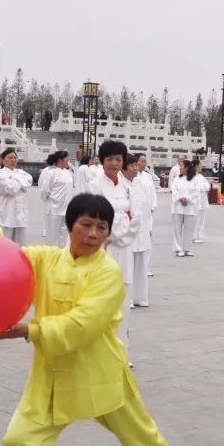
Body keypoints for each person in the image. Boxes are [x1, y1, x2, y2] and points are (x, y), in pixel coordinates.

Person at [0, 194, 205, 446]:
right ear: (70, 225)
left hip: (99, 371)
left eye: (101, 227)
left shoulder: (108, 272)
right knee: (19, 441)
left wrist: (29, 330)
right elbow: (13, 260)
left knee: (140, 433)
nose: (92, 234)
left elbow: (82, 324)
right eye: (85, 224)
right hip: (52, 374)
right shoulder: (47, 259)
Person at [84, 141, 139, 343]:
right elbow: (91, 219)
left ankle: (120, 347)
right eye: (109, 159)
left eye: (118, 159)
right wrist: (106, 235)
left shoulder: (128, 187)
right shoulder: (94, 186)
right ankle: (99, 346)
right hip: (102, 249)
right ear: (102, 161)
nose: (114, 164)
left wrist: (118, 235)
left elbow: (136, 218)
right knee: (101, 297)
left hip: (123, 247)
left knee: (123, 298)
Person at [124, 155, 153, 309]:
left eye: (137, 165)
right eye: (132, 166)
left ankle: (140, 296)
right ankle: (127, 297)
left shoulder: (139, 183)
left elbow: (146, 206)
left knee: (141, 263)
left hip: (142, 229)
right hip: (128, 230)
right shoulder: (121, 184)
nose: (136, 169)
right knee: (127, 265)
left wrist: (148, 226)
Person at [0, 148, 34, 245]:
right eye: (10, 157)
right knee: (5, 245)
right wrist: (20, 181)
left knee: (21, 246)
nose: (13, 160)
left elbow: (29, 180)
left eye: (15, 157)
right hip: (6, 213)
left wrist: (14, 178)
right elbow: (11, 189)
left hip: (21, 214)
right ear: (3, 160)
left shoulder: (21, 172)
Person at [37, 151, 73, 248]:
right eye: (67, 159)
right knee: (52, 237)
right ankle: (51, 257)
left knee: (64, 237)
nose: (68, 161)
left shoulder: (68, 173)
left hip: (66, 210)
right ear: (60, 160)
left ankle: (62, 257)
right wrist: (50, 202)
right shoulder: (50, 172)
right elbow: (44, 190)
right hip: (54, 210)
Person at [171, 160, 202, 257]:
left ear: (187, 168)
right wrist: (180, 199)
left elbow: (196, 192)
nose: (180, 168)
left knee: (189, 229)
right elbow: (174, 191)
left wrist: (187, 199)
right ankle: (178, 249)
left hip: (190, 207)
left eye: (182, 166)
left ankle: (187, 249)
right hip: (178, 207)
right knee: (177, 229)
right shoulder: (177, 179)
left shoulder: (195, 179)